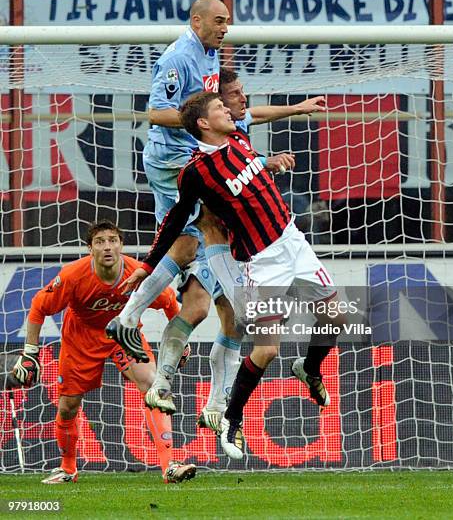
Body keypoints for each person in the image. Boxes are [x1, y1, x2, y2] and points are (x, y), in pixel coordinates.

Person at [109, 67, 327, 434]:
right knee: (235, 315)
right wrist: (146, 264)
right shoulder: (199, 165)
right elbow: (180, 211)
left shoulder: (238, 137)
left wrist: (296, 111)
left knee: (210, 312)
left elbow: (255, 117)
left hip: (246, 247)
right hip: (225, 249)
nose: (243, 101)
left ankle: (209, 401)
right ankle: (148, 348)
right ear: (215, 110)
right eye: (235, 95)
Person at [12, 220, 195, 484]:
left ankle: (169, 465)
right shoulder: (73, 276)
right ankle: (68, 468)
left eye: (113, 240)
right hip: (80, 339)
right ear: (90, 249)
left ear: (121, 245)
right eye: (100, 241)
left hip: (123, 335)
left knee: (155, 386)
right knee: (68, 407)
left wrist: (183, 341)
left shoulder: (138, 274)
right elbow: (39, 306)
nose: (107, 246)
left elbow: (170, 303)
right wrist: (30, 353)